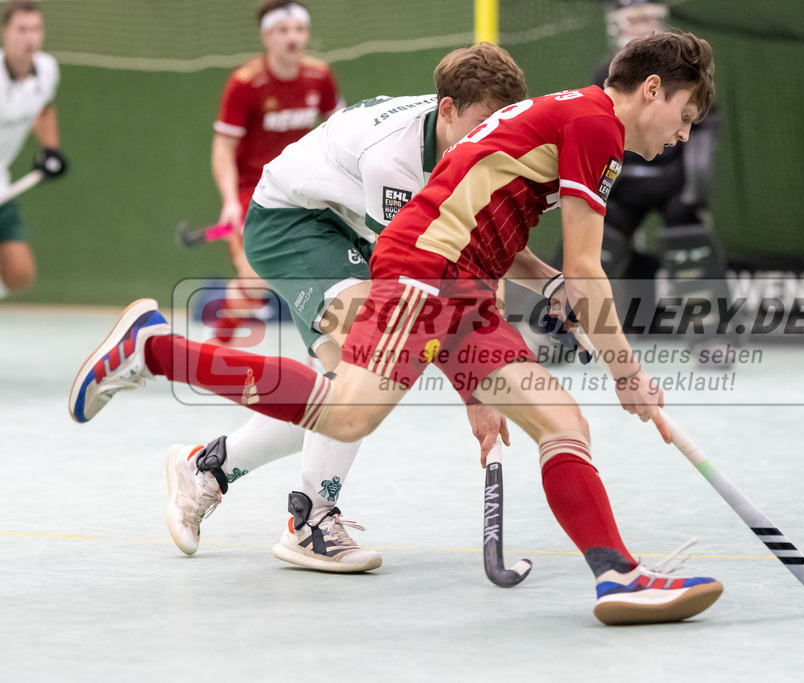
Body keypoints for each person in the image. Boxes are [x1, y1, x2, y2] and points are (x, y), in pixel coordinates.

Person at [70, 31, 723, 626]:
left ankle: (617, 575)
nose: (684, 135)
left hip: (462, 280)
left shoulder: (573, 116)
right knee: (347, 410)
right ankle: (154, 350)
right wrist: (628, 373)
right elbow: (586, 267)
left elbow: (505, 226)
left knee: (561, 421)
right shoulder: (594, 126)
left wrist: (544, 298)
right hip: (422, 272)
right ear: (652, 89)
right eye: (686, 115)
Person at [165, 43, 528, 574]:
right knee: (376, 343)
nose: (491, 137)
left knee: (348, 393)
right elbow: (423, 277)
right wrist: (476, 387)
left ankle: (209, 467)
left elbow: (480, 252)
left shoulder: (474, 146)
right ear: (447, 109)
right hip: (292, 221)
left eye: (502, 123)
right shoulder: (396, 159)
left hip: (345, 224)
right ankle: (310, 521)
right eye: (481, 122)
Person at [589, 1, 730, 355]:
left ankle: (711, 336)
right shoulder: (605, 73)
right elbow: (595, 129)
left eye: (648, 18)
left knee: (690, 242)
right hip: (624, 183)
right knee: (593, 243)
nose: (641, 27)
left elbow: (703, 127)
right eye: (634, 19)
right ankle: (559, 331)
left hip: (674, 183)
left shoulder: (688, 73)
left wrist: (694, 186)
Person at [209, 0, 340, 344]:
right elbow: (223, 148)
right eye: (283, 31)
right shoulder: (245, 84)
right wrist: (229, 202)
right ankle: (217, 346)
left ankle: (336, 352)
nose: (293, 38)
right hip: (253, 190)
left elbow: (340, 130)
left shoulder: (320, 76)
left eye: (299, 29)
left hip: (304, 187)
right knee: (254, 280)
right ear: (267, 36)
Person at [0, 0, 67, 298]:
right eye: (22, 29)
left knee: (20, 275)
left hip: (2, 181)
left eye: (36, 29)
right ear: (5, 33)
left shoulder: (47, 69)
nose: (30, 37)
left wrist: (50, 148)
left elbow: (44, 107)